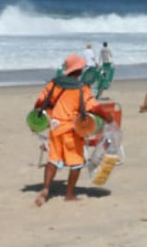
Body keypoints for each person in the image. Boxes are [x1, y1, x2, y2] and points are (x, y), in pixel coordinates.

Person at [33, 53, 103, 206]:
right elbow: (94, 107)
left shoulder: (54, 84)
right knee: (76, 163)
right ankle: (69, 195)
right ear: (79, 70)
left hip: (55, 127)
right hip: (71, 130)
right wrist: (108, 118)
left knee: (53, 160)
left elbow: (39, 103)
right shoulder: (81, 88)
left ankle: (45, 189)